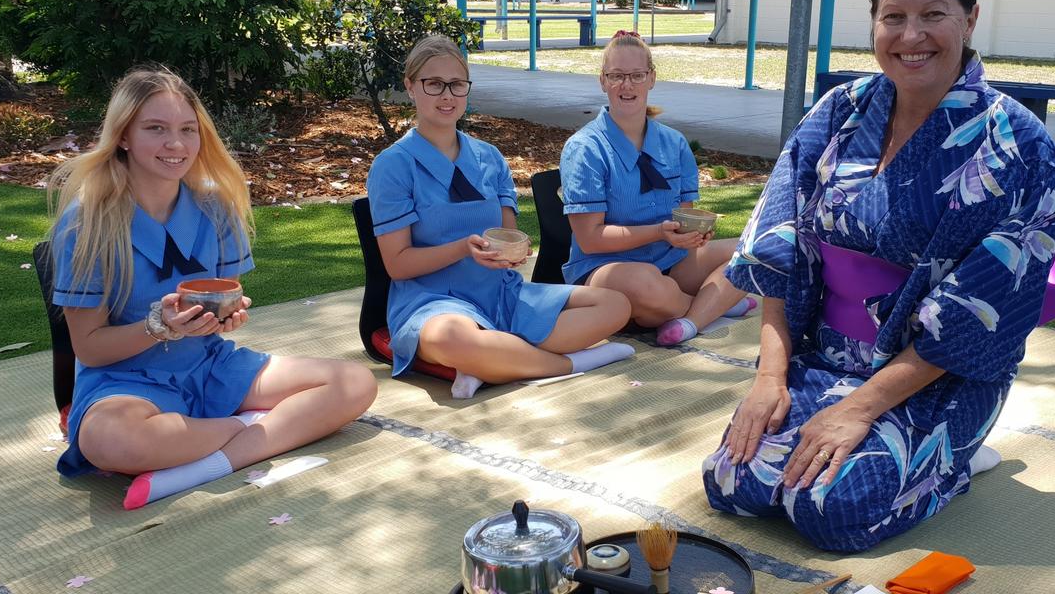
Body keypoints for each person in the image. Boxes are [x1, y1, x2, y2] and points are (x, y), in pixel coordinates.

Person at [702, 0, 1055, 552]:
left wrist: (860, 408)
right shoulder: (837, 112)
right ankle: (840, 426)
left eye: (934, 15)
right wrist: (770, 377)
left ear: (970, 18)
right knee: (735, 480)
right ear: (873, 22)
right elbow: (779, 251)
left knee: (830, 509)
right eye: (893, 17)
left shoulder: (1019, 143)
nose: (911, 36)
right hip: (822, 356)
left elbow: (979, 316)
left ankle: (952, 466)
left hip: (935, 373)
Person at [48, 67, 377, 510]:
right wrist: (158, 326)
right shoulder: (87, 222)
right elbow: (88, 349)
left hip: (210, 367)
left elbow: (220, 317)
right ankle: (250, 429)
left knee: (354, 383)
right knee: (111, 441)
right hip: (123, 382)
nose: (176, 144)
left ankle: (212, 461)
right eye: (156, 129)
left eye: (188, 129)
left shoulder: (215, 205)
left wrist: (226, 318)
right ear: (123, 136)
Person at [366, 35, 633, 400]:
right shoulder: (393, 165)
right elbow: (397, 265)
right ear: (410, 87)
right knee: (454, 337)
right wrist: (463, 248)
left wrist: (516, 250)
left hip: (501, 293)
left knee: (614, 303)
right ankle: (572, 363)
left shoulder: (489, 157)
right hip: (432, 303)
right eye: (434, 84)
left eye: (457, 85)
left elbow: (508, 235)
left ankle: (492, 361)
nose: (447, 95)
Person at [559, 31, 756, 347]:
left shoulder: (674, 143)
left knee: (752, 249)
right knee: (648, 286)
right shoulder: (585, 148)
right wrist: (659, 232)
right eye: (617, 76)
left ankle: (689, 321)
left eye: (637, 75)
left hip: (669, 261)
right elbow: (590, 239)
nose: (627, 85)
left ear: (651, 78)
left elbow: (684, 221)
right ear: (602, 81)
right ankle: (713, 306)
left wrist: (693, 235)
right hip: (606, 269)